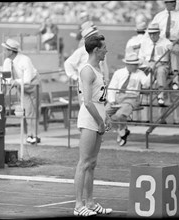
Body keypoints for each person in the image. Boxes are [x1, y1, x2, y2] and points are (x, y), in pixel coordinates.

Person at [74, 34, 112, 216]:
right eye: (104, 47)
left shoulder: (99, 67)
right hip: (90, 118)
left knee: (92, 163)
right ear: (96, 50)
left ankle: (89, 202)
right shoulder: (87, 70)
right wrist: (99, 121)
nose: (106, 50)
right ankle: (78, 205)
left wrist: (106, 118)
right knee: (84, 162)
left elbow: (99, 98)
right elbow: (88, 102)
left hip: (98, 116)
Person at [1, 38, 41, 144]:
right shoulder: (7, 61)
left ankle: (35, 135)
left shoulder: (25, 60)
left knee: (34, 109)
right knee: (27, 110)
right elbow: (7, 77)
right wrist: (11, 81)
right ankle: (30, 135)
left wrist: (15, 81)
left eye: (5, 50)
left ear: (11, 51)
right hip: (20, 85)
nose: (4, 52)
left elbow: (27, 79)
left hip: (33, 83)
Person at [139, 23, 179, 124]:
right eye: (150, 34)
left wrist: (171, 47)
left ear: (159, 33)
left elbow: (170, 46)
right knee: (145, 88)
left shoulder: (164, 41)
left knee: (161, 72)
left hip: (162, 66)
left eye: (154, 34)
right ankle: (145, 119)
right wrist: (148, 64)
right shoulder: (145, 42)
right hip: (148, 67)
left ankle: (160, 95)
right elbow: (140, 58)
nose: (152, 36)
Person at [106, 52, 150, 146]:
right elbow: (112, 87)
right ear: (128, 64)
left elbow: (146, 84)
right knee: (103, 114)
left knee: (119, 115)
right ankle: (122, 131)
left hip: (132, 97)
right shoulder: (119, 73)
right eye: (134, 64)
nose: (136, 66)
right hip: (118, 97)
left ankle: (122, 130)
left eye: (137, 64)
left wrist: (150, 72)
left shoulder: (140, 73)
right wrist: (112, 100)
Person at [151, 0, 179, 90]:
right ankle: (156, 81)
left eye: (174, 2)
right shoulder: (159, 16)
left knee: (175, 51)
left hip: (174, 41)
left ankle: (175, 80)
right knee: (157, 59)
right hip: (161, 42)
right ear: (166, 3)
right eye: (170, 2)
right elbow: (151, 29)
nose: (173, 4)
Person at [64, 25, 109, 105]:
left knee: (100, 105)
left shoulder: (100, 50)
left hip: (98, 81)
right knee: (86, 105)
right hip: (85, 82)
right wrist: (76, 77)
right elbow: (68, 63)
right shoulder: (81, 51)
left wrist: (106, 78)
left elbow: (104, 65)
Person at [125, 21, 149, 122]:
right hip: (145, 68)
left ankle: (134, 119)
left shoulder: (131, 41)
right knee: (146, 96)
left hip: (134, 68)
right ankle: (145, 119)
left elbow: (127, 56)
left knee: (133, 93)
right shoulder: (148, 40)